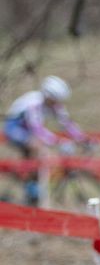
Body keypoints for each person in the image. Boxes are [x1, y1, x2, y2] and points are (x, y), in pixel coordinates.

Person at [4, 75, 93, 206]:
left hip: (28, 130)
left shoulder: (55, 105)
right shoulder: (34, 102)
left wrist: (84, 139)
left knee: (38, 153)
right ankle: (34, 192)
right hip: (13, 128)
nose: (57, 103)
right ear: (48, 95)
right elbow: (37, 129)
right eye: (55, 100)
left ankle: (32, 189)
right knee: (38, 147)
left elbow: (67, 124)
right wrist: (59, 142)